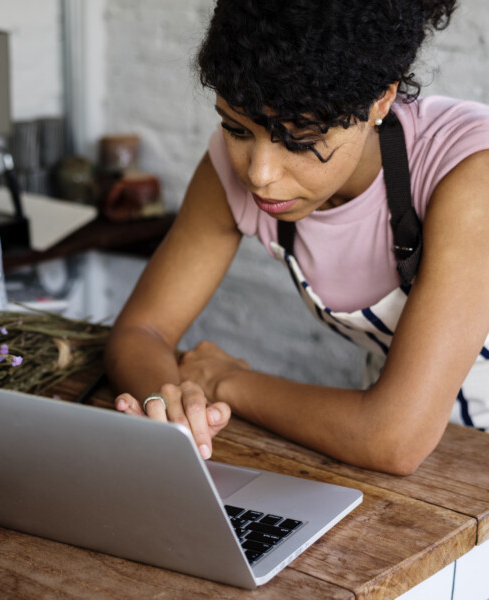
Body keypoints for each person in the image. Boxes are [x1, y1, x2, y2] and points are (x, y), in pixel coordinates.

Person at [104, 0, 489, 476]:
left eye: (300, 140)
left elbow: (394, 439)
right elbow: (142, 331)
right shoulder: (236, 171)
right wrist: (171, 402)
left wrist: (227, 382)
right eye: (236, 128)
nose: (260, 175)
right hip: (406, 445)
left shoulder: (469, 173)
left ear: (381, 101)